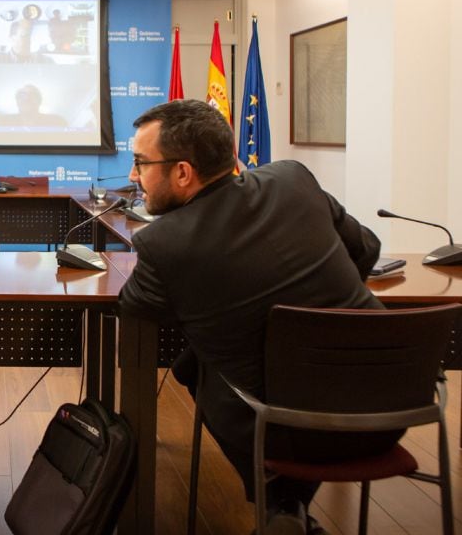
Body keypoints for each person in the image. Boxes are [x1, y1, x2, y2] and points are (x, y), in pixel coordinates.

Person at [117, 100, 389, 535]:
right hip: (394, 406)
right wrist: (321, 304)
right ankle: (284, 508)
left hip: (294, 431)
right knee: (197, 361)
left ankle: (281, 501)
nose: (133, 176)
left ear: (183, 172)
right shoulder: (293, 179)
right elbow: (366, 249)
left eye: (140, 163)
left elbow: (136, 308)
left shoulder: (166, 243)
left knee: (196, 364)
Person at [0, 84, 67, 127]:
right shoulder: (3, 121)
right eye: (22, 95)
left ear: (39, 101)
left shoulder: (57, 121)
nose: (26, 99)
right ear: (17, 102)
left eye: (32, 95)